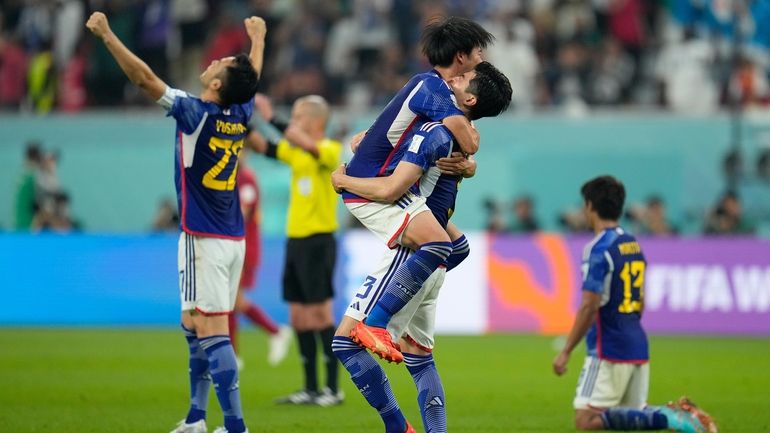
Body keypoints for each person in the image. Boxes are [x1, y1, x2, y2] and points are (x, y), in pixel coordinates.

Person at [86, 11, 264, 433]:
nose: (213, 61)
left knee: (210, 326)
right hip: (227, 235)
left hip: (203, 236)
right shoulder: (240, 111)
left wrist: (108, 35)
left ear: (218, 84)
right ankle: (197, 418)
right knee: (193, 323)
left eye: (219, 64)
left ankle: (236, 426)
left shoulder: (195, 113)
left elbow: (145, 80)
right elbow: (250, 77)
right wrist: (258, 40)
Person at [330, 61, 512, 433]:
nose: (455, 78)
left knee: (346, 345)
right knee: (420, 357)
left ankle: (398, 427)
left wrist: (343, 179)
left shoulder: (432, 132)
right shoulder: (458, 134)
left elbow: (390, 190)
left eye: (463, 78)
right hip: (432, 261)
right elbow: (456, 244)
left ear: (470, 96)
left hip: (414, 250)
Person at [343, 16, 497, 364]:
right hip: (383, 189)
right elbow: (469, 141)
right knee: (438, 245)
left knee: (456, 249)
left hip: (399, 187)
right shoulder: (433, 89)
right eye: (478, 52)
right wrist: (469, 159)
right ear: (461, 56)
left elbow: (365, 139)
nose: (482, 59)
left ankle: (405, 295)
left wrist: (467, 167)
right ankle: (378, 321)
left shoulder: (433, 91)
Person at [552, 176, 717, 433]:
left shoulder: (597, 249)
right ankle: (678, 415)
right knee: (631, 417)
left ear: (590, 206)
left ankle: (671, 418)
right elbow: (641, 299)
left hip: (608, 349)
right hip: (636, 341)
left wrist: (566, 350)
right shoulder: (631, 243)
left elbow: (589, 306)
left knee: (586, 421)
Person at [246, 95, 343, 406]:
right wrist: (238, 119)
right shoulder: (296, 154)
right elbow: (265, 146)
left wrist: (272, 116)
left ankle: (332, 388)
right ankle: (310, 387)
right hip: (296, 241)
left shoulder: (329, 150)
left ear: (315, 122)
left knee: (320, 313)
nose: (294, 121)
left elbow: (299, 141)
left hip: (319, 241)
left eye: (298, 116)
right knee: (299, 316)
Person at [229, 148, 291, 368]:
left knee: (232, 300)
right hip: (234, 246)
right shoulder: (234, 177)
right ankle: (235, 354)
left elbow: (241, 214)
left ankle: (274, 332)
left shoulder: (245, 179)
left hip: (245, 248)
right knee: (230, 301)